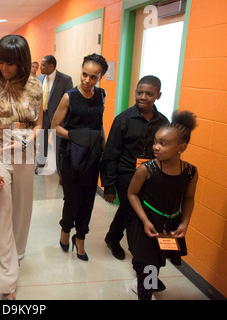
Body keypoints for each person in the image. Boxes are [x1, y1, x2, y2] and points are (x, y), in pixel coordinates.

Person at [0, 34, 43, 300]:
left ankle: (15, 255)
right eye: (1, 62)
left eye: (11, 63)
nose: (4, 67)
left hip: (25, 150)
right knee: (1, 211)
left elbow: (39, 123)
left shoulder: (36, 86)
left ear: (22, 62)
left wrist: (31, 137)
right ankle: (6, 280)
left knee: (22, 208)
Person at [127, 110, 198, 300]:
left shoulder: (190, 172)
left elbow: (189, 198)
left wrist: (184, 223)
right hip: (148, 220)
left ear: (181, 147)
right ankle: (145, 289)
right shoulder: (146, 169)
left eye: (163, 143)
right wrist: (144, 219)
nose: (156, 147)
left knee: (159, 257)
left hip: (170, 223)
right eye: (155, 141)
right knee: (148, 260)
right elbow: (132, 193)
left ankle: (147, 279)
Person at [100, 76, 169, 260]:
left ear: (158, 96)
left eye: (149, 94)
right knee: (133, 215)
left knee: (129, 209)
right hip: (127, 174)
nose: (143, 97)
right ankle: (140, 260)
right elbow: (111, 154)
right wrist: (109, 186)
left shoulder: (163, 122)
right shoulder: (123, 119)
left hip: (150, 176)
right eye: (140, 92)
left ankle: (112, 237)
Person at [51, 53, 108, 261]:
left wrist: (105, 147)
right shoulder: (70, 96)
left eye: (93, 77)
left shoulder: (101, 95)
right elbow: (54, 126)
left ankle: (80, 238)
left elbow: (99, 125)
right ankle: (65, 231)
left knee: (88, 201)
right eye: (84, 74)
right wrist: (76, 136)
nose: (87, 80)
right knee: (72, 199)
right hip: (71, 156)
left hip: (92, 157)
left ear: (100, 77)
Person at [36, 55, 73, 175]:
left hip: (58, 119)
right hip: (43, 116)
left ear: (51, 66)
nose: (40, 67)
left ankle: (61, 172)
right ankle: (40, 165)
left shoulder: (65, 79)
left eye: (43, 65)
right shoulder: (39, 78)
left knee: (58, 146)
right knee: (42, 141)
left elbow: (69, 101)